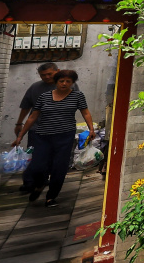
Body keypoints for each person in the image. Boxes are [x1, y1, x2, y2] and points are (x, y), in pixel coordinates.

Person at [10, 70, 93, 207]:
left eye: (68, 81)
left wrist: (91, 129)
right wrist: (20, 135)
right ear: (56, 82)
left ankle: (51, 196)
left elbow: (85, 112)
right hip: (43, 137)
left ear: (72, 83)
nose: (64, 84)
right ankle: (40, 184)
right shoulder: (44, 97)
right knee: (37, 166)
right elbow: (33, 116)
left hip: (65, 137)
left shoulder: (78, 96)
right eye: (61, 81)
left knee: (59, 168)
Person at [13, 63, 59, 193]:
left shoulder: (67, 85)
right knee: (34, 156)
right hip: (37, 128)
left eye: (50, 74)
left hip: (58, 129)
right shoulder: (35, 87)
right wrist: (19, 123)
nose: (47, 77)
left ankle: (42, 180)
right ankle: (29, 182)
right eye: (43, 75)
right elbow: (26, 106)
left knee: (51, 158)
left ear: (58, 71)